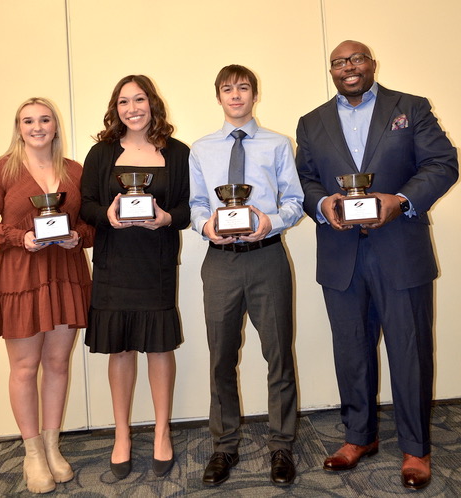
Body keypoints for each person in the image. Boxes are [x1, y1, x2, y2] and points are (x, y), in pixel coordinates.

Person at [296, 40, 458, 490]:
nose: (349, 67)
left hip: (399, 249)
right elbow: (304, 179)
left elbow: (443, 163)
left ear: (371, 64)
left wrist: (400, 199)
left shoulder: (411, 107)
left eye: (357, 59)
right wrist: (323, 202)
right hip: (340, 253)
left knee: (409, 350)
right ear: (331, 70)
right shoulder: (311, 122)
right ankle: (358, 437)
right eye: (339, 62)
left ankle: (415, 447)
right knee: (350, 349)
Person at [189, 64, 304, 487]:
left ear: (255, 95)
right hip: (220, 263)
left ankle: (281, 445)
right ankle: (224, 446)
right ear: (217, 96)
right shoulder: (201, 149)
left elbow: (294, 200)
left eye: (243, 88)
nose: (235, 95)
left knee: (278, 353)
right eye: (227, 88)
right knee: (220, 356)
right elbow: (197, 203)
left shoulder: (277, 144)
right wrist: (207, 227)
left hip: (266, 257)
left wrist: (268, 222)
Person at [0, 97, 93, 494]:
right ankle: (32, 453)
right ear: (18, 127)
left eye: (44, 119)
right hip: (19, 277)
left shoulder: (75, 171)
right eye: (28, 121)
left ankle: (51, 446)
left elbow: (90, 224)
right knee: (25, 367)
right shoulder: (1, 169)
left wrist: (78, 237)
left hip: (64, 273)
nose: (37, 127)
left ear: (55, 126)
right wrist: (18, 237)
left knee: (58, 363)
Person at [80, 74, 190, 480]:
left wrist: (165, 218)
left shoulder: (177, 153)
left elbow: (187, 209)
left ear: (152, 103)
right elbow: (86, 205)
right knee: (121, 349)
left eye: (139, 99)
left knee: (160, 348)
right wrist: (106, 215)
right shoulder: (102, 152)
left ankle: (162, 432)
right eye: (124, 102)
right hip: (114, 263)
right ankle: (121, 434)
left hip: (156, 264)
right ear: (116, 108)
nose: (132, 108)